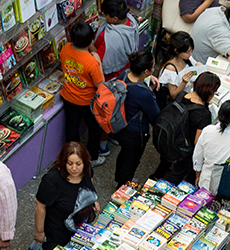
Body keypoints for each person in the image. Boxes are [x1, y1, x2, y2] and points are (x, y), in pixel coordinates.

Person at [34, 142, 99, 250]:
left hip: (80, 228)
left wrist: (93, 200)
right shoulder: (52, 181)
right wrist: (40, 232)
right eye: (70, 163)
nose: (74, 168)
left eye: (78, 164)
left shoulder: (87, 170)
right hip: (58, 235)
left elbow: (89, 183)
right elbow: (40, 206)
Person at [156, 71, 220, 184]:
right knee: (180, 174)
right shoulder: (203, 114)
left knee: (175, 172)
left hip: (174, 139)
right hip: (185, 150)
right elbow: (198, 142)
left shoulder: (182, 96)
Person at [59, 21, 104, 165]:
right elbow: (100, 84)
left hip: (68, 97)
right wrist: (98, 61)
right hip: (87, 101)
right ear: (91, 40)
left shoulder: (65, 49)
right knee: (94, 128)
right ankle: (92, 157)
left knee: (72, 129)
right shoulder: (92, 62)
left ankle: (72, 157)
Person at [114, 50, 160, 187]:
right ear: (145, 71)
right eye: (152, 68)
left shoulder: (125, 74)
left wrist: (147, 78)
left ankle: (118, 178)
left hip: (120, 125)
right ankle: (122, 187)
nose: (154, 69)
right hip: (135, 133)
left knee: (123, 155)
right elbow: (155, 116)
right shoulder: (144, 93)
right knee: (131, 161)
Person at [94, 0, 138, 80]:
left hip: (110, 78)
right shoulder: (131, 22)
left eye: (106, 15)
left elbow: (97, 60)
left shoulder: (109, 38)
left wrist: (89, 44)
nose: (104, 17)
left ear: (115, 19)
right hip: (125, 71)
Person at [156, 31, 196, 105]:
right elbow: (174, 95)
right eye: (188, 52)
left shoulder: (187, 58)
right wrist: (183, 83)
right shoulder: (170, 69)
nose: (190, 54)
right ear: (177, 51)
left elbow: (196, 64)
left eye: (191, 50)